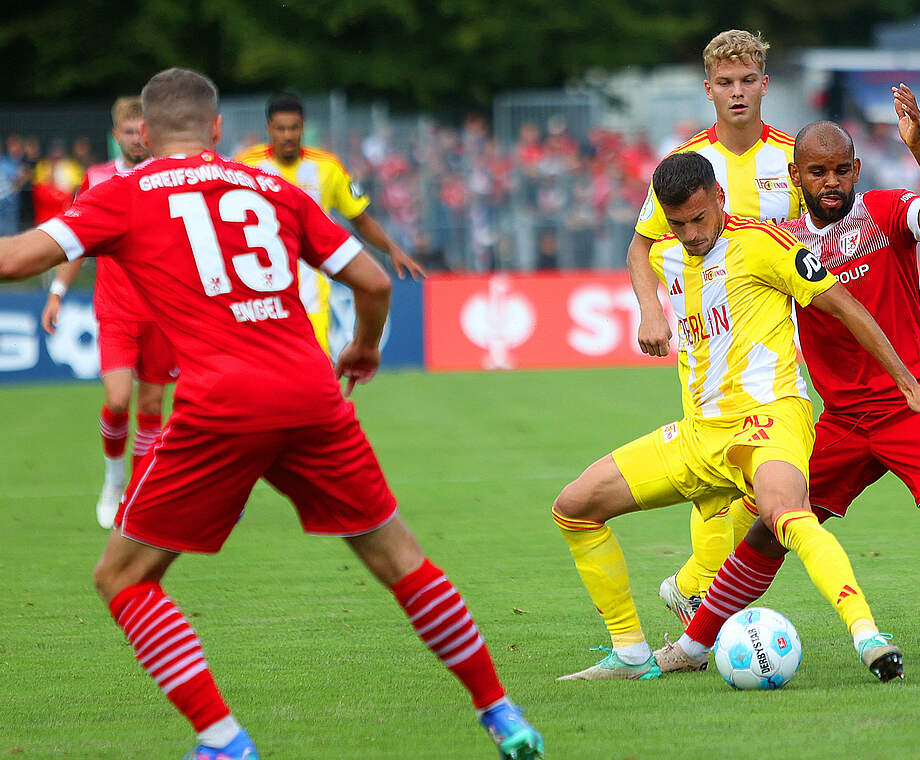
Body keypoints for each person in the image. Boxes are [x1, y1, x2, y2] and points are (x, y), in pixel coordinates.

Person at [0, 68, 542, 760]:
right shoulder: (272, 187)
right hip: (312, 393)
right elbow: (374, 281)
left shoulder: (124, 193)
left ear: (143, 133)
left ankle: (223, 740)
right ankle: (502, 714)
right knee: (401, 559)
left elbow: (17, 260)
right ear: (218, 129)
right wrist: (364, 349)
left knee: (123, 577)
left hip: (222, 404)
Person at [653, 87, 920, 676]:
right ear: (796, 176)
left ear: (856, 169)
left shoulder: (889, 214)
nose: (830, 181)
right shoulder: (779, 242)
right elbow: (684, 255)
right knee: (772, 527)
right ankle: (693, 645)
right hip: (842, 418)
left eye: (840, 169)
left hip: (915, 400)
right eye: (817, 171)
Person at [552, 151, 920, 682]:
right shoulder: (669, 255)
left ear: (720, 198)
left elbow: (847, 307)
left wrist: (908, 386)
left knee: (785, 515)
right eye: (677, 224)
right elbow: (639, 250)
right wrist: (650, 309)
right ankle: (630, 653)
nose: (691, 233)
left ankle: (868, 636)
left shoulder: (767, 245)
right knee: (574, 507)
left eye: (699, 219)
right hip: (699, 435)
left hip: (768, 423)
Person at [627, 29, 806, 628]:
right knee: (717, 476)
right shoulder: (688, 165)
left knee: (768, 481)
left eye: (747, 80)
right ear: (708, 90)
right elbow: (641, 244)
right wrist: (652, 310)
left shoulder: (792, 159)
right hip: (708, 340)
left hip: (781, 341)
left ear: (765, 84)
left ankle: (694, 588)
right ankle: (701, 595)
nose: (737, 93)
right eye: (724, 83)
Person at [42, 97, 178, 529]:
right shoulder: (98, 178)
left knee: (153, 406)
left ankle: (138, 496)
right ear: (115, 135)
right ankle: (113, 478)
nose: (137, 140)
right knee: (119, 400)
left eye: (144, 132)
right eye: (129, 132)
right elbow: (74, 237)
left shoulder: (169, 177)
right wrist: (58, 291)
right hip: (116, 310)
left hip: (163, 311)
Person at [236, 93, 426, 356]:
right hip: (262, 288)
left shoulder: (327, 167)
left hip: (311, 288)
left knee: (317, 368)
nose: (288, 135)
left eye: (294, 128)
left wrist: (392, 248)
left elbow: (359, 217)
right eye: (281, 129)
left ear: (303, 127)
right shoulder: (246, 165)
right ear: (269, 129)